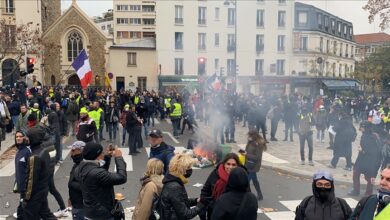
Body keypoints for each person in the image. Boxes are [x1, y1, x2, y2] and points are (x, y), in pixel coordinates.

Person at [75, 142, 127, 220]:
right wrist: (118, 158)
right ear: (97, 156)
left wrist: (107, 157)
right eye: (102, 153)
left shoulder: (79, 168)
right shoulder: (97, 173)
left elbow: (101, 175)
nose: (103, 154)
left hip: (90, 211)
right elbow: (121, 177)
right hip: (102, 214)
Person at [19, 127, 56, 219]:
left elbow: (31, 181)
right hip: (43, 190)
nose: (25, 138)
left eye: (27, 137)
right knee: (46, 214)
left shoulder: (34, 157)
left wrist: (26, 198)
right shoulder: (44, 151)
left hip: (35, 194)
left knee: (29, 216)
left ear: (33, 138)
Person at [160, 153, 208, 219]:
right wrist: (200, 205)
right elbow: (185, 214)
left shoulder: (173, 181)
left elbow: (181, 202)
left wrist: (196, 200)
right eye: (188, 167)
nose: (190, 169)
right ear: (180, 168)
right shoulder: (174, 187)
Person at [200, 153, 241, 220]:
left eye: (233, 165)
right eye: (228, 164)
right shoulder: (216, 173)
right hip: (213, 212)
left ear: (237, 166)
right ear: (224, 164)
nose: (230, 167)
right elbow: (205, 190)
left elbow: (245, 197)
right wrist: (202, 207)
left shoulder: (241, 177)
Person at [349, 121, 382, 196]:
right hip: (366, 161)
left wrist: (362, 150)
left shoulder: (368, 137)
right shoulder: (372, 135)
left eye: (362, 127)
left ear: (366, 128)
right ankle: (365, 192)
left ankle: (360, 191)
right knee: (362, 176)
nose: (361, 128)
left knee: (359, 175)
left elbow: (372, 151)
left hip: (367, 161)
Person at [14, 131, 31, 219]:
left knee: (23, 211)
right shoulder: (19, 151)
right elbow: (19, 170)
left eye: (20, 136)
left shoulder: (27, 152)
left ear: (24, 138)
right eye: (17, 136)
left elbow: (30, 171)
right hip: (21, 187)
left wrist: (26, 188)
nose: (18, 138)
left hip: (26, 188)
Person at [245, 130, 267, 201]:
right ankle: (260, 195)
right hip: (248, 164)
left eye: (250, 136)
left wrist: (246, 155)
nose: (248, 137)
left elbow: (258, 157)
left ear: (254, 136)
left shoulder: (258, 144)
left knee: (246, 181)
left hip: (254, 165)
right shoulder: (250, 142)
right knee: (254, 180)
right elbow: (248, 151)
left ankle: (246, 197)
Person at [68, 141, 86, 220]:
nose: (71, 154)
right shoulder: (77, 164)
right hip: (76, 203)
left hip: (82, 206)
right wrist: (71, 198)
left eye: (73, 150)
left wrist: (71, 184)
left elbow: (86, 187)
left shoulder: (84, 166)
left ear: (80, 150)